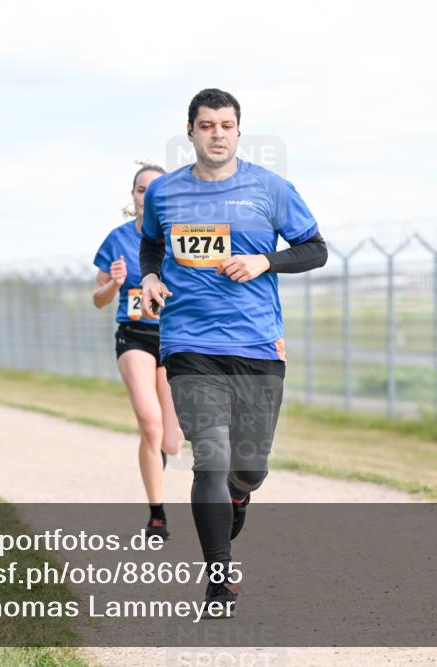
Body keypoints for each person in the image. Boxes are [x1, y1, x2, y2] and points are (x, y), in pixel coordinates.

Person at [139, 89, 327, 616]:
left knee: (248, 468)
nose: (216, 134)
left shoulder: (270, 189)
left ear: (239, 132)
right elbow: (152, 242)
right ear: (191, 131)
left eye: (226, 125)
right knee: (210, 460)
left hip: (257, 345)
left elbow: (315, 249)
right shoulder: (165, 193)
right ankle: (218, 580)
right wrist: (151, 275)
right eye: (206, 125)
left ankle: (239, 496)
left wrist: (265, 262)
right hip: (190, 344)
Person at [93, 162, 183, 540]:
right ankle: (157, 515)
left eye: (155, 188)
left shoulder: (179, 236)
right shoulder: (117, 239)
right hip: (134, 336)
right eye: (141, 189)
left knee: (172, 441)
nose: (147, 195)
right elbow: (98, 300)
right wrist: (113, 285)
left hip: (173, 338)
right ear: (133, 196)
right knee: (150, 423)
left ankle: (158, 451)